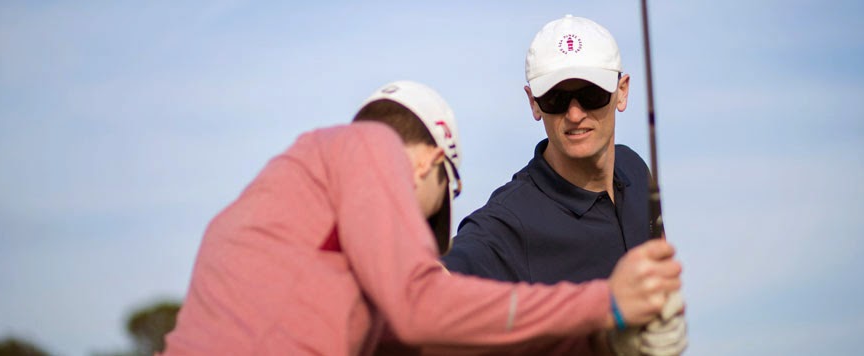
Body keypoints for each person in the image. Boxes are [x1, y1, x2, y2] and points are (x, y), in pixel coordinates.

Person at [161, 80, 682, 355]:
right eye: (432, 209)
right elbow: (424, 306)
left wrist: (600, 342)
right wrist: (605, 305)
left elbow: (438, 339)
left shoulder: (281, 219)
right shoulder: (365, 144)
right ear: (430, 163)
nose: (415, 234)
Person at [440, 15, 687, 354]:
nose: (574, 114)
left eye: (591, 94)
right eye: (555, 98)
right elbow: (430, 295)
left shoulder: (634, 168)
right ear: (534, 103)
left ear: (622, 92)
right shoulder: (506, 222)